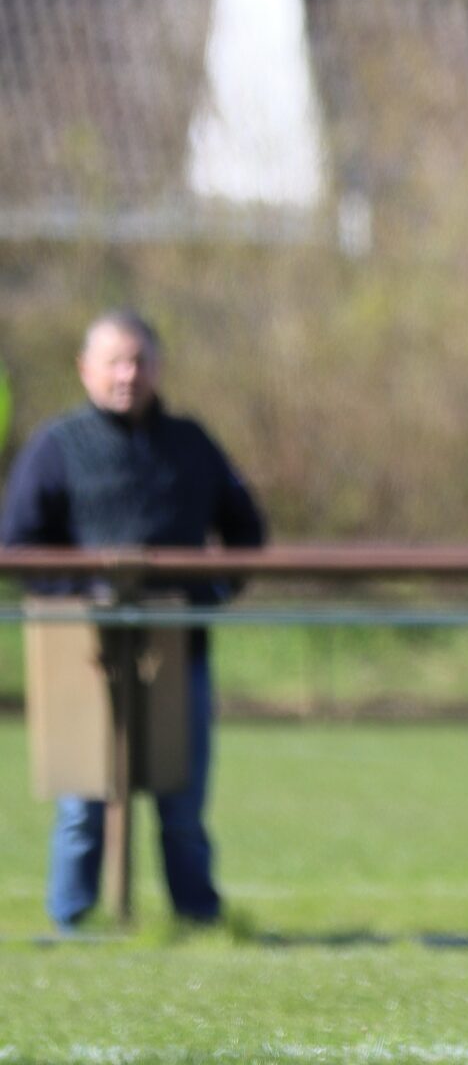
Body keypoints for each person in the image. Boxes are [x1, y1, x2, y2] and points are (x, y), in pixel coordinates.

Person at [1, 311, 265, 930]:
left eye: (139, 360)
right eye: (115, 361)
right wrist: (78, 595)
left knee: (181, 801)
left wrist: (212, 591)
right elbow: (19, 543)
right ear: (85, 369)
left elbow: (245, 530)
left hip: (179, 648)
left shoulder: (192, 442)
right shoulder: (55, 446)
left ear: (157, 367)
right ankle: (72, 922)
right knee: (82, 802)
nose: (128, 374)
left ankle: (198, 921)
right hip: (83, 652)